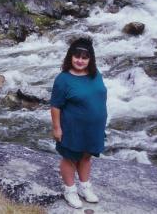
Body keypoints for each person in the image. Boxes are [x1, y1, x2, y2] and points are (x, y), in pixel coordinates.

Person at [50, 37, 108, 209]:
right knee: (69, 158)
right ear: (70, 57)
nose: (80, 60)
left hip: (94, 128)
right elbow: (55, 106)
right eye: (77, 56)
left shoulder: (96, 75)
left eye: (84, 57)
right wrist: (57, 128)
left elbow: (99, 98)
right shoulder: (63, 79)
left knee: (86, 156)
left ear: (90, 59)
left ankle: (84, 187)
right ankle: (70, 190)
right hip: (72, 128)